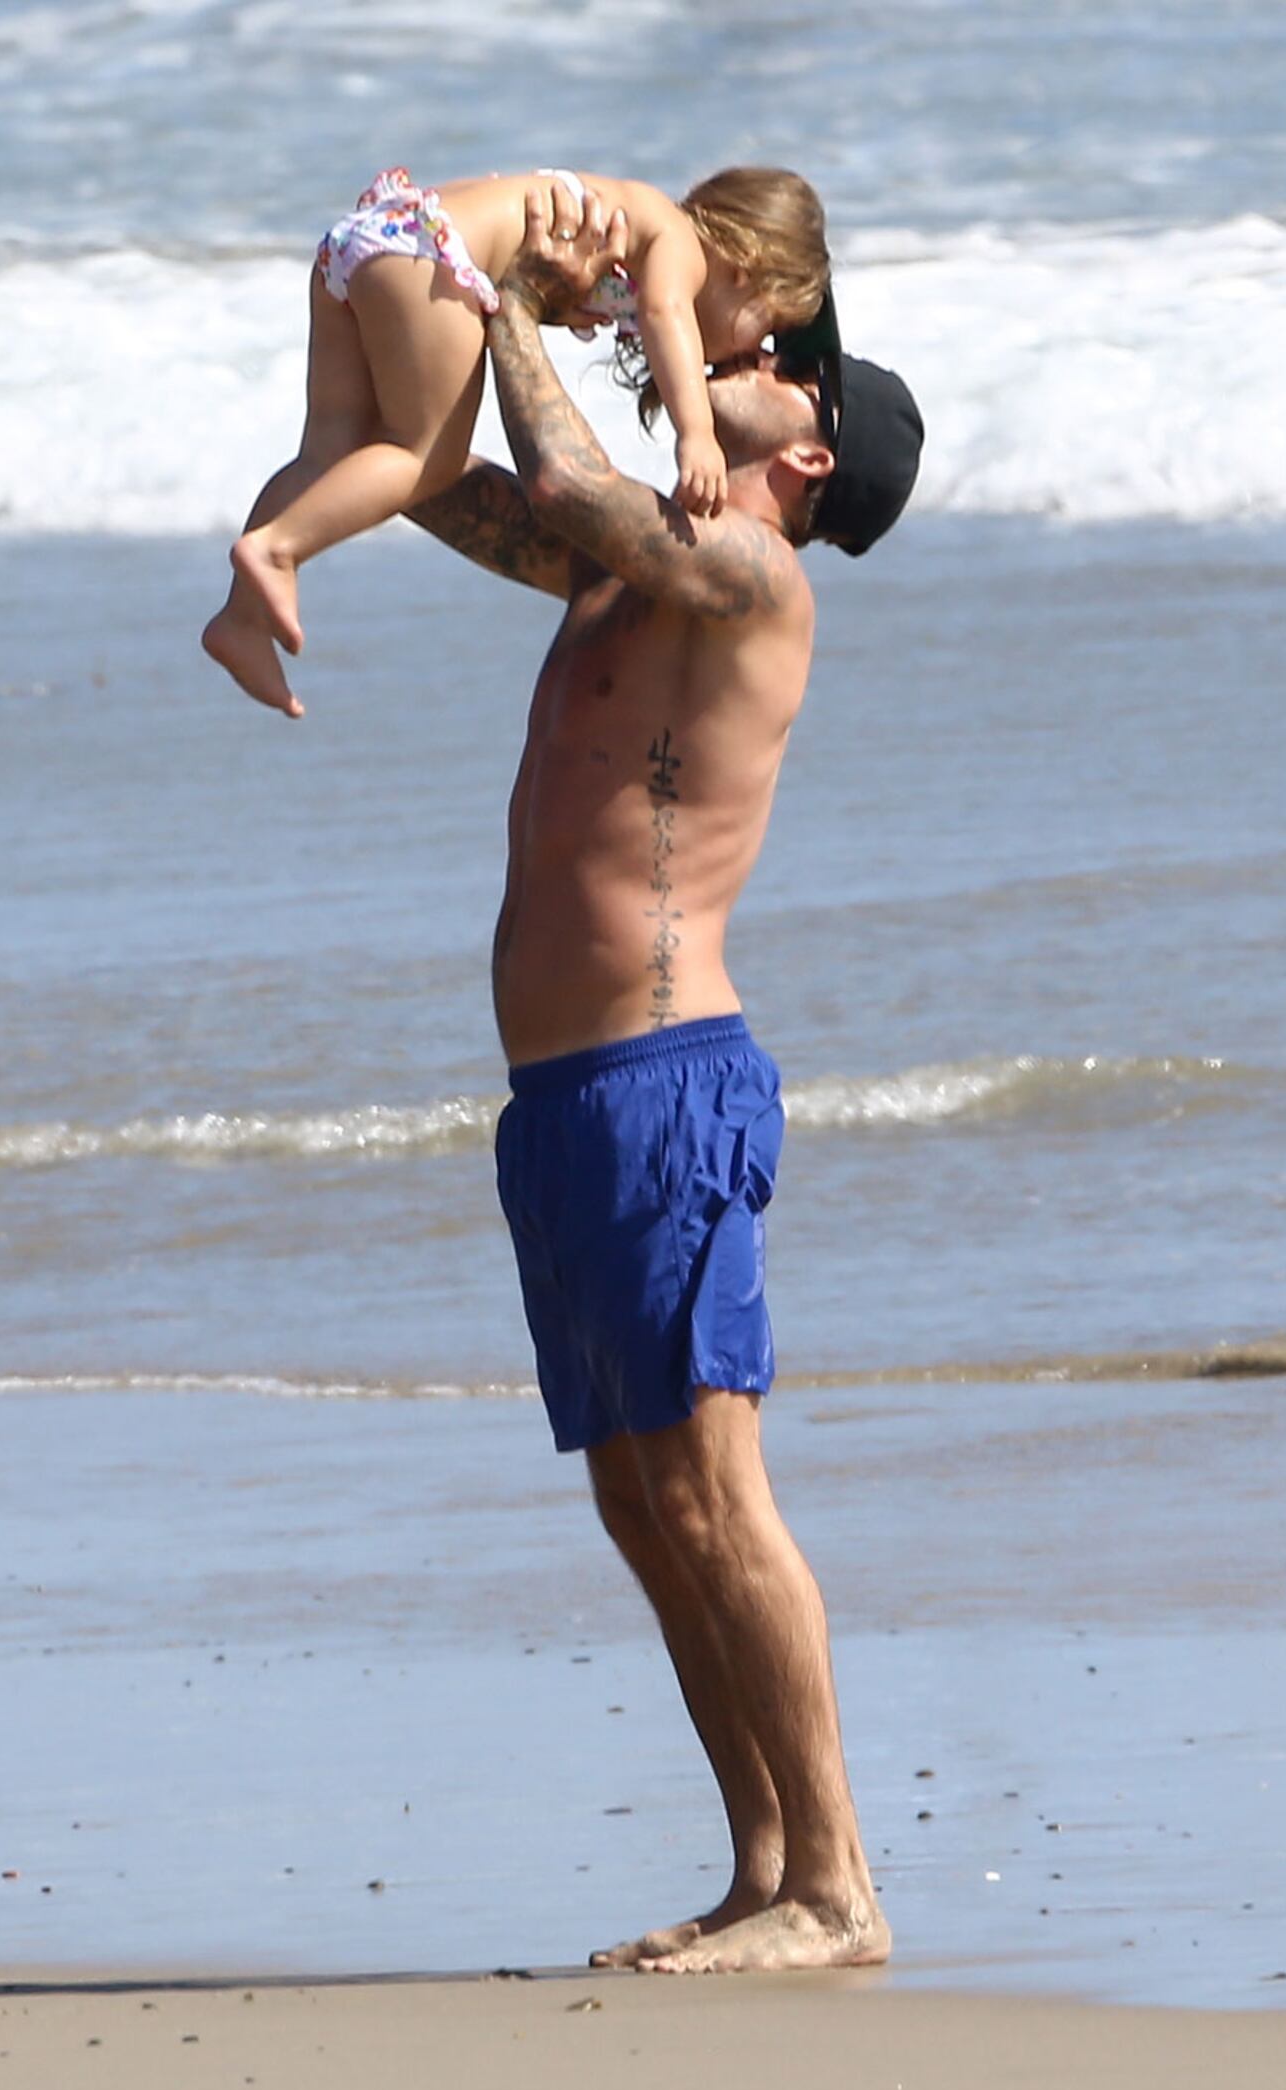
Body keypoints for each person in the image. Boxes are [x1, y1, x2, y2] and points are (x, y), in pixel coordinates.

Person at [409, 187, 923, 1974]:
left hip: (661, 1082)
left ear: (816, 446)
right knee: (640, 1498)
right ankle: (763, 1866)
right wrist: (395, 348)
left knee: (717, 1486)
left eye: (779, 372)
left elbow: (559, 481)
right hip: (561, 1103)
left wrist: (508, 304)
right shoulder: (634, 563)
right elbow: (461, 489)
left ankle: (840, 1886)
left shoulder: (751, 574)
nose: (742, 367)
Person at [201, 164, 829, 718]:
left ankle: (241, 616)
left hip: (369, 238)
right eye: (767, 330)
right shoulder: (680, 245)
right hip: (434, 256)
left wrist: (555, 306)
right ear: (748, 272)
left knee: (331, 453)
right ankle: (277, 551)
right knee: (425, 456)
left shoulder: (636, 232)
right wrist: (696, 435)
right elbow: (667, 316)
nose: (755, 353)